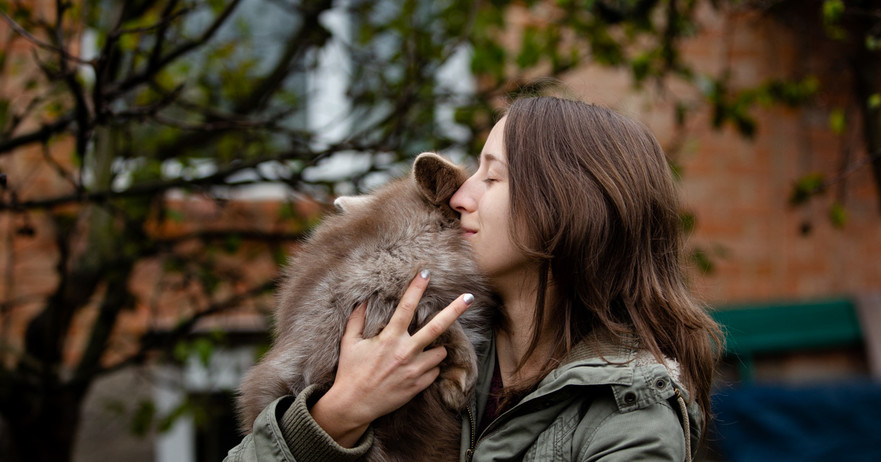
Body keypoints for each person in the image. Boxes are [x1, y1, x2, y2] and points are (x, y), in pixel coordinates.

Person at [225, 95, 722, 462]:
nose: (460, 198)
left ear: (566, 207)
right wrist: (335, 415)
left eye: (492, 176)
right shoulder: (419, 357)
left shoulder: (628, 418)